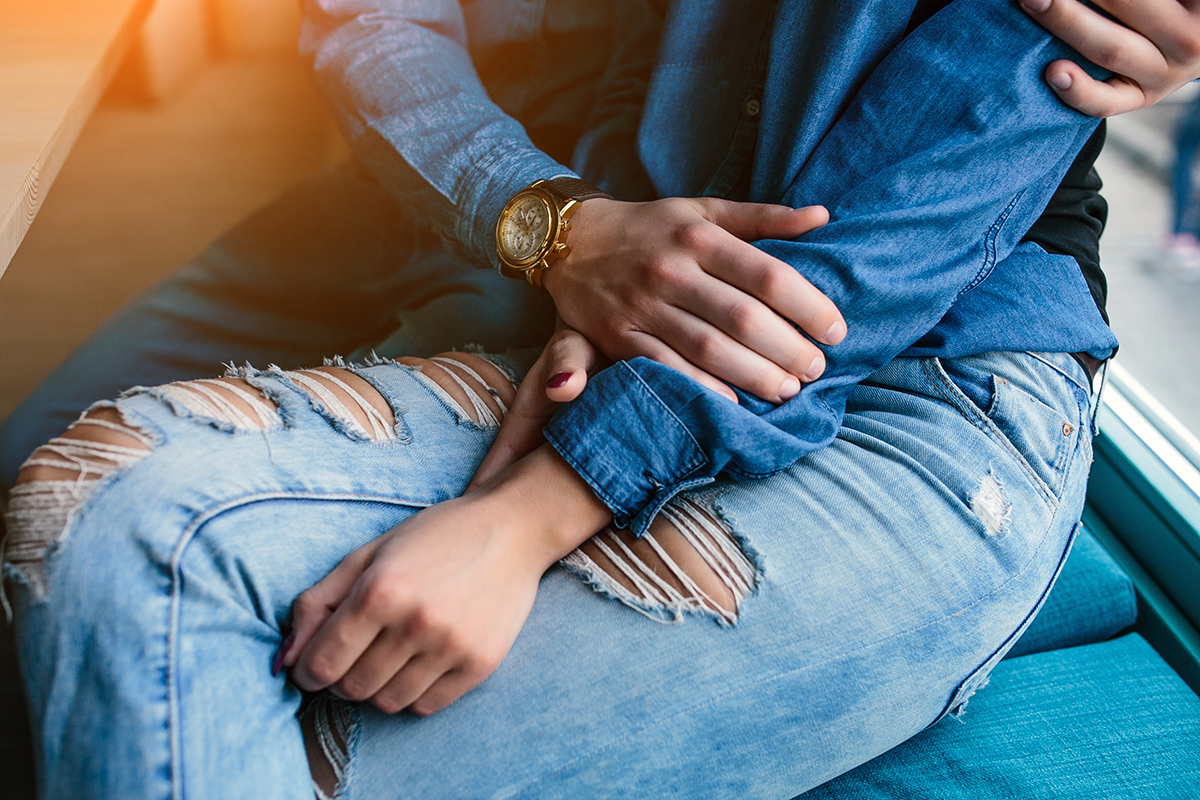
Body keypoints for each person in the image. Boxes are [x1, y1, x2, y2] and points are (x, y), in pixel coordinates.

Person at [4, 0, 1200, 798]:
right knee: (72, 516)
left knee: (205, 642)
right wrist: (557, 226)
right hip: (547, 236)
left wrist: (532, 508)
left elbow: (860, 255)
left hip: (908, 358)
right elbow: (370, 21)